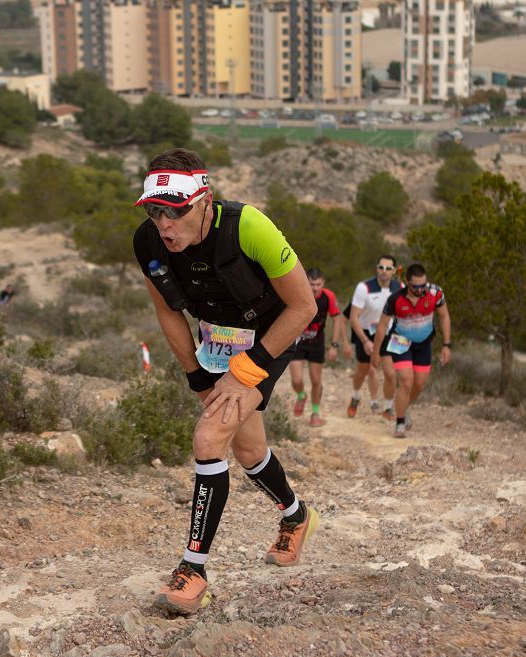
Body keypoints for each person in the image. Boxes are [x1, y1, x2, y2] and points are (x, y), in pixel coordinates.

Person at [132, 148, 320, 616]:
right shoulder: (148, 242)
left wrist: (246, 372)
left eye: (176, 211)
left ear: (205, 200)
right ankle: (297, 517)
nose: (164, 224)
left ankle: (193, 570)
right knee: (249, 450)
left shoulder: (248, 227)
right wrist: (196, 375)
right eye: (155, 212)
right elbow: (168, 312)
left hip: (269, 338)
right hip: (215, 341)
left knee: (208, 438)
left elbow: (304, 307)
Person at [372, 263, 452, 438]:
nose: (420, 289)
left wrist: (447, 345)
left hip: (424, 342)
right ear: (407, 282)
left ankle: (403, 406)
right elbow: (382, 326)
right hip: (400, 341)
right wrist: (375, 353)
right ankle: (400, 423)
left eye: (423, 285)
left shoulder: (435, 293)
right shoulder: (395, 299)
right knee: (406, 381)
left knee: (419, 384)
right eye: (416, 286)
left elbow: (444, 316)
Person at [289, 267, 348, 427]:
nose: (315, 288)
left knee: (316, 381)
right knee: (296, 380)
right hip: (297, 342)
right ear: (305, 282)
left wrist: (334, 345)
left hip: (317, 343)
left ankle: (315, 413)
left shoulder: (328, 297)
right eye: (311, 284)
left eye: (318, 284)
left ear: (323, 283)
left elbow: (337, 319)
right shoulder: (298, 293)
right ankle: (301, 396)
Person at [347, 255, 403, 419]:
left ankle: (388, 408)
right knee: (362, 372)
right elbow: (353, 317)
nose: (384, 271)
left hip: (387, 333)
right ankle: (355, 397)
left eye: (388, 268)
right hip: (366, 333)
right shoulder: (364, 288)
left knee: (390, 374)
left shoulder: (400, 287)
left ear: (394, 271)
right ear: (377, 268)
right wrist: (365, 341)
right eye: (381, 267)